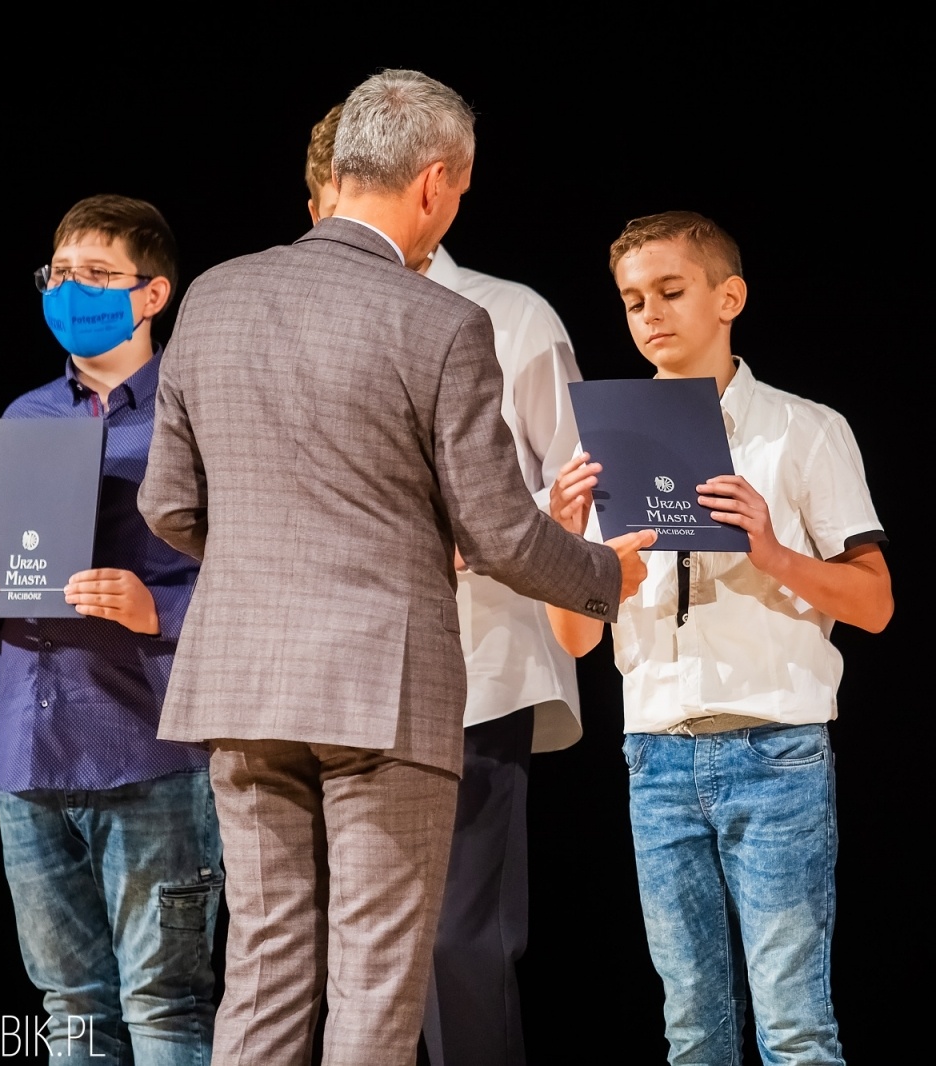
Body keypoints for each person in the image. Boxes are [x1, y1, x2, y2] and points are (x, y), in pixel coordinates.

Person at [137, 70, 651, 1066]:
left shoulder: (214, 294)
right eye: (457, 191)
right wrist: (604, 577)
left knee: (264, 966)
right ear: (431, 183)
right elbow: (500, 533)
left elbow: (167, 504)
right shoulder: (441, 320)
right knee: (377, 976)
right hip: (385, 688)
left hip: (241, 682)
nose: (453, 210)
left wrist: (262, 563)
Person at [546, 211, 893, 1065]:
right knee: (691, 1029)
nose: (650, 315)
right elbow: (576, 642)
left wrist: (772, 552)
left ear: (728, 296)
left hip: (774, 751)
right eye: (632, 301)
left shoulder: (801, 430)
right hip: (656, 755)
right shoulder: (605, 444)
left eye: (670, 291)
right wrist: (571, 554)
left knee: (795, 1026)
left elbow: (877, 604)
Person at [304, 101, 587, 1066]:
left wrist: (494, 527)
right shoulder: (306, 322)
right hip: (337, 682)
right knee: (363, 952)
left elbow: (575, 476)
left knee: (464, 944)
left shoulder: (511, 317)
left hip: (480, 669)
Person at [0, 196, 222, 1065]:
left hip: (148, 748)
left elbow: (257, 572)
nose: (70, 289)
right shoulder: (27, 417)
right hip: (31, 754)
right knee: (71, 1008)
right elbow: (16, 572)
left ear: (152, 294)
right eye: (59, 273)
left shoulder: (195, 410)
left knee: (164, 1004)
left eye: (96, 275)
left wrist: (160, 610)